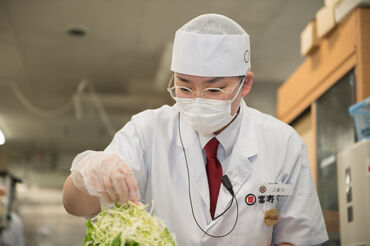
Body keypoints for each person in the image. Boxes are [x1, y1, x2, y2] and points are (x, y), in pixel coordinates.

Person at [62, 14, 328, 245]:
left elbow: (298, 238)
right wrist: (87, 176)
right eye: (185, 87)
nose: (197, 99)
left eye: (214, 89)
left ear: (245, 84)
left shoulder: (283, 143)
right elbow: (73, 204)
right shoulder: (147, 132)